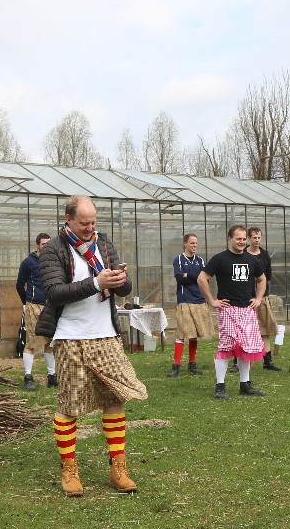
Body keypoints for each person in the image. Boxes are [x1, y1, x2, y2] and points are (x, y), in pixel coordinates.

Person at [36, 196, 148, 497]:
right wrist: (97, 283)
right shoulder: (53, 250)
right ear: (69, 219)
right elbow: (54, 292)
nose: (90, 228)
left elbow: (124, 288)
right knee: (70, 405)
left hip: (106, 334)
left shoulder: (104, 244)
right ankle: (69, 469)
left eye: (93, 222)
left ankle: (118, 467)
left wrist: (120, 280)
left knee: (115, 397)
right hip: (70, 336)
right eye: (84, 223)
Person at [197, 224, 267, 400]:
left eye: (244, 239)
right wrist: (212, 301)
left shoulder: (252, 260)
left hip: (247, 310)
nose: (242, 242)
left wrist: (258, 298)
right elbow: (202, 278)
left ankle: (245, 385)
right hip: (227, 309)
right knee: (226, 346)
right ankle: (220, 386)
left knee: (246, 347)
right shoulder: (220, 259)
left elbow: (262, 279)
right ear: (230, 239)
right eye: (238, 239)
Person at [167, 232, 213, 377]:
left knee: (194, 335)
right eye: (192, 243)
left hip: (199, 300)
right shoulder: (179, 260)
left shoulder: (200, 260)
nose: (194, 245)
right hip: (185, 300)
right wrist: (196, 278)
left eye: (196, 243)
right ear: (185, 244)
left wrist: (190, 275)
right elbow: (180, 280)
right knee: (181, 334)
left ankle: (192, 365)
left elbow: (206, 279)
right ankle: (176, 366)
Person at [16, 233, 56, 391]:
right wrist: (27, 302)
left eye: (48, 244)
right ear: (37, 245)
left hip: (50, 306)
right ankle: (28, 377)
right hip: (33, 306)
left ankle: (52, 376)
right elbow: (19, 285)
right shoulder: (28, 262)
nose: (46, 247)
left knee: (49, 342)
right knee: (31, 342)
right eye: (44, 244)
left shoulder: (53, 261)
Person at [247, 227, 283, 372]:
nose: (257, 240)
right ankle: (239, 361)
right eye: (254, 238)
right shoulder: (243, 254)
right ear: (249, 238)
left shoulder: (264, 255)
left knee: (265, 330)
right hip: (245, 298)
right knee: (243, 331)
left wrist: (260, 294)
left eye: (259, 237)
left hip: (262, 297)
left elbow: (268, 275)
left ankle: (267, 361)